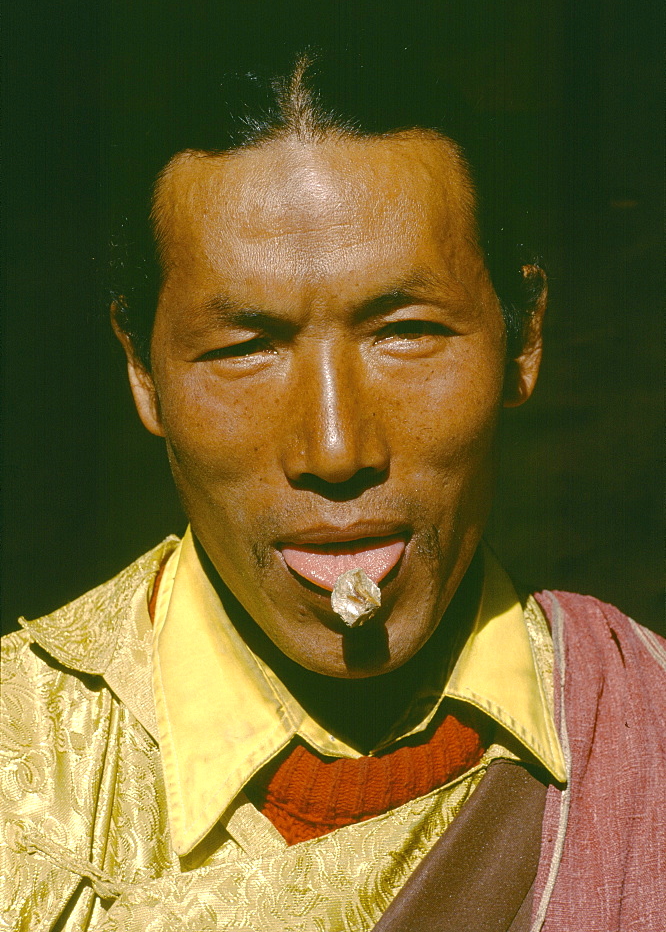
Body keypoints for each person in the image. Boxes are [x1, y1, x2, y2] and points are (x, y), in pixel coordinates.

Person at [1, 58, 664, 932]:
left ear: (524, 336)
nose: (336, 447)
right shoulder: (27, 776)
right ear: (142, 372)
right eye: (245, 348)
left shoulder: (642, 737)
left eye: (408, 333)